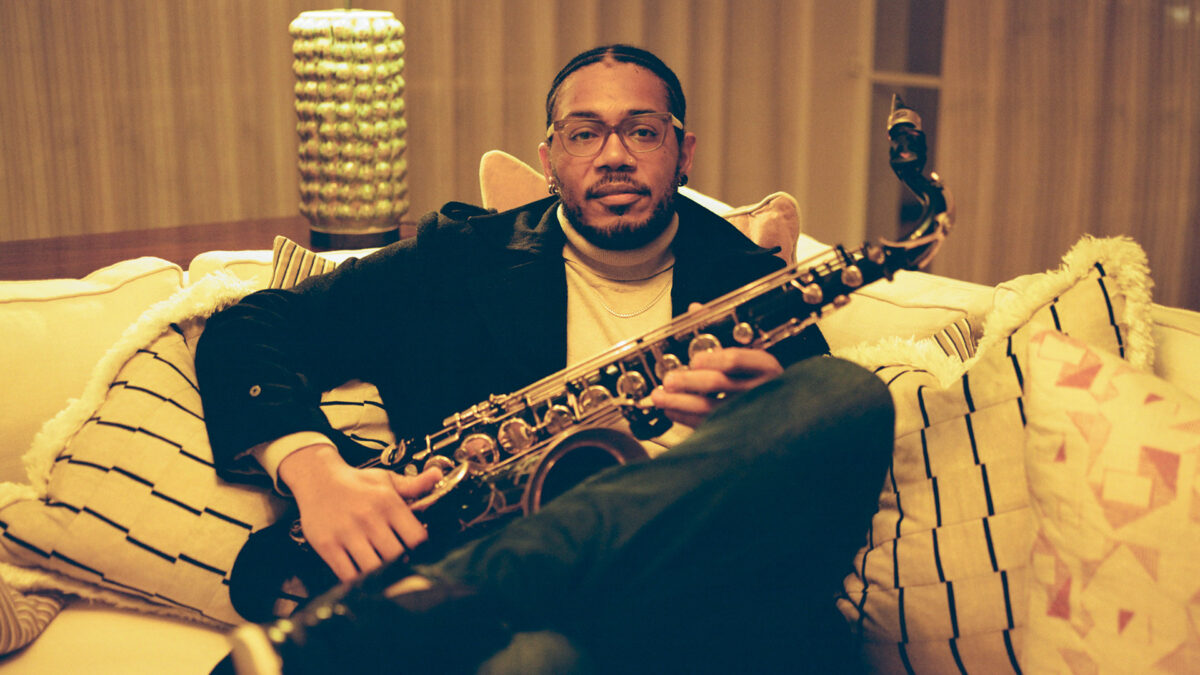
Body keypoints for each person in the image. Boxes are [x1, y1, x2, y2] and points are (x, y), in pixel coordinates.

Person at [197, 44, 893, 674]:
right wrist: (316, 473)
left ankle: (430, 601)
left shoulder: (759, 287)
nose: (614, 155)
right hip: (520, 634)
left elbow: (813, 500)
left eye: (642, 131)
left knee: (847, 391)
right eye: (584, 133)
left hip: (695, 602)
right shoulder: (456, 260)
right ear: (551, 158)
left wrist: (755, 421)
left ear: (683, 153)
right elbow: (250, 328)